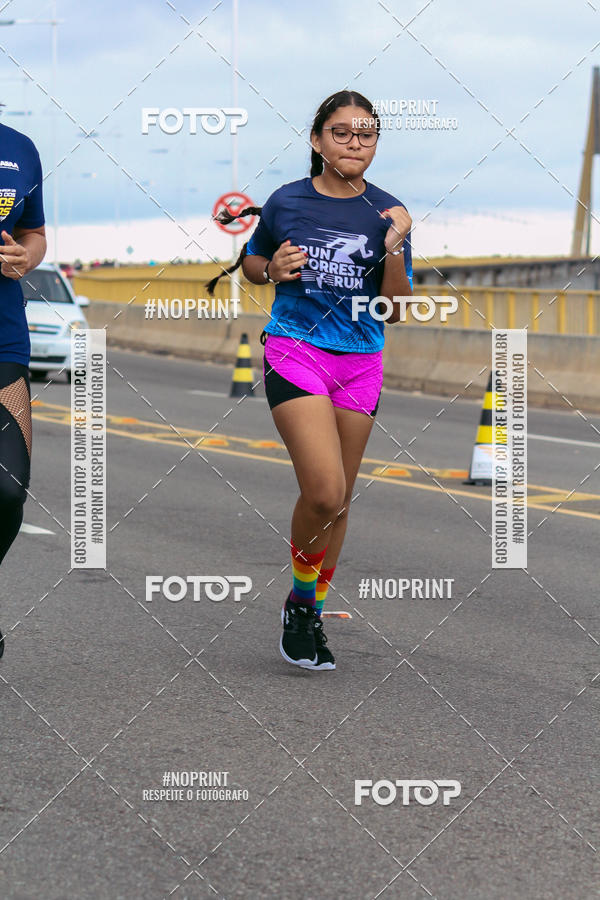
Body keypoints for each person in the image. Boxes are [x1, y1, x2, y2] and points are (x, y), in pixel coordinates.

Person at [206, 89, 413, 671]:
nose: (355, 143)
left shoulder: (390, 212)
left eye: (366, 135)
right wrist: (270, 269)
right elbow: (252, 261)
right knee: (323, 489)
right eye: (342, 133)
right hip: (296, 349)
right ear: (318, 140)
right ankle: (301, 601)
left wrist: (393, 250)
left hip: (361, 359)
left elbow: (394, 308)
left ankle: (308, 611)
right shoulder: (287, 200)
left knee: (340, 501)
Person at [0, 115, 47, 658]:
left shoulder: (18, 148)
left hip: (2, 335)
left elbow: (33, 232)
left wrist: (25, 257)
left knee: (8, 490)